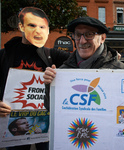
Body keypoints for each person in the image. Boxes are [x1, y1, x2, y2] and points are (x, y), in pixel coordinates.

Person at [43, 16, 124, 111]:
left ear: (103, 38)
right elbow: (51, 109)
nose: (82, 41)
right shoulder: (63, 71)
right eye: (77, 35)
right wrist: (50, 86)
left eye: (89, 34)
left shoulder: (123, 72)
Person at [0, 7, 70, 150]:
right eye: (32, 25)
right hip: (12, 126)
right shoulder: (3, 55)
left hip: (46, 124)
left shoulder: (53, 55)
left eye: (42, 27)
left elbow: (82, 61)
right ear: (21, 26)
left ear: (48, 30)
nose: (38, 30)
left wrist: (110, 54)